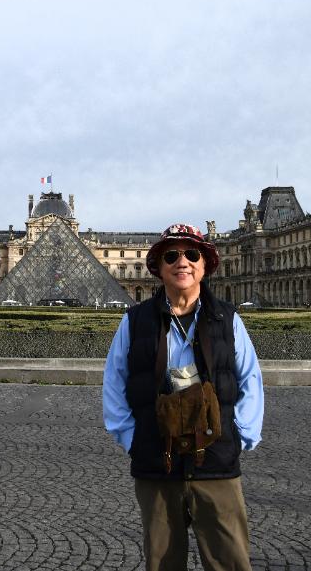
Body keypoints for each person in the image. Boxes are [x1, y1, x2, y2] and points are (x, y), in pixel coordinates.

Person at [103, 223, 264, 571]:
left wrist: (239, 436)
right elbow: (114, 381)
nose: (183, 262)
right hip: (157, 459)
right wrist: (131, 438)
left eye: (192, 254)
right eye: (171, 256)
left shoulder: (227, 319)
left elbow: (250, 378)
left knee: (230, 561)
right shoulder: (135, 320)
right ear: (159, 267)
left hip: (216, 460)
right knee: (163, 563)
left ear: (204, 265)